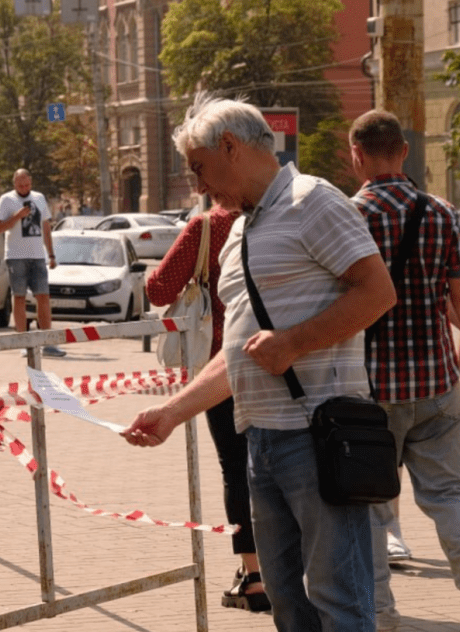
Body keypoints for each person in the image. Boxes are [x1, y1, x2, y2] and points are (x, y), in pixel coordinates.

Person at [121, 94, 397, 631]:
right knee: (287, 603)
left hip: (317, 436)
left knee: (340, 601)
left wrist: (293, 343)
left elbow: (378, 293)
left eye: (199, 168)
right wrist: (174, 412)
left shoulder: (313, 200)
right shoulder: (240, 231)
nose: (198, 186)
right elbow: (238, 355)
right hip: (263, 444)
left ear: (231, 147)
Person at [348, 109, 460, 632]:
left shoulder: (346, 216)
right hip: (436, 383)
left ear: (356, 155)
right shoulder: (443, 214)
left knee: (370, 506)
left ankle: (379, 615)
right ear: (404, 151)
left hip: (366, 389)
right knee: (450, 495)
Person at [145, 203, 269, 612]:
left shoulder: (206, 227)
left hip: (222, 367)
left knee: (236, 470)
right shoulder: (278, 212)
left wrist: (153, 277)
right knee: (281, 465)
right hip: (280, 361)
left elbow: (160, 290)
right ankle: (286, 567)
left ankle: (254, 577)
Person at [0, 168, 65, 357]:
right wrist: (17, 216)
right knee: (19, 297)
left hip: (38, 256)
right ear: (14, 183)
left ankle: (48, 342)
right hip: (16, 256)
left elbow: (46, 227)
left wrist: (51, 254)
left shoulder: (39, 198)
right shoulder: (6, 200)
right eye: (20, 185)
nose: (24, 188)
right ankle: (24, 342)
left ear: (31, 182)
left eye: (26, 185)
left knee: (43, 296)